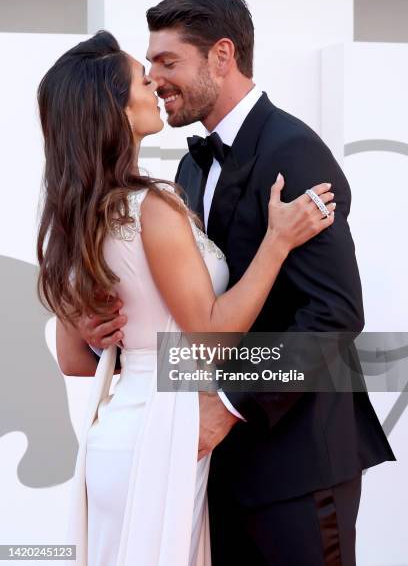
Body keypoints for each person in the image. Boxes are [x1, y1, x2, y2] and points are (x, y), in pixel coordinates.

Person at [81, 0, 396, 566]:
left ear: (221, 56)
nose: (155, 78)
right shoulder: (187, 167)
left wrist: (226, 404)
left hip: (298, 462)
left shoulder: (295, 151)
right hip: (213, 463)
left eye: (168, 61)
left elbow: (334, 315)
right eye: (149, 65)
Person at [36, 31, 335, 566]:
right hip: (161, 428)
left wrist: (115, 339)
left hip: (120, 431)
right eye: (140, 77)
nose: (152, 83)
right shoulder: (150, 206)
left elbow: (74, 358)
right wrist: (278, 241)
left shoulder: (76, 211)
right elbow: (212, 335)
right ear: (114, 108)